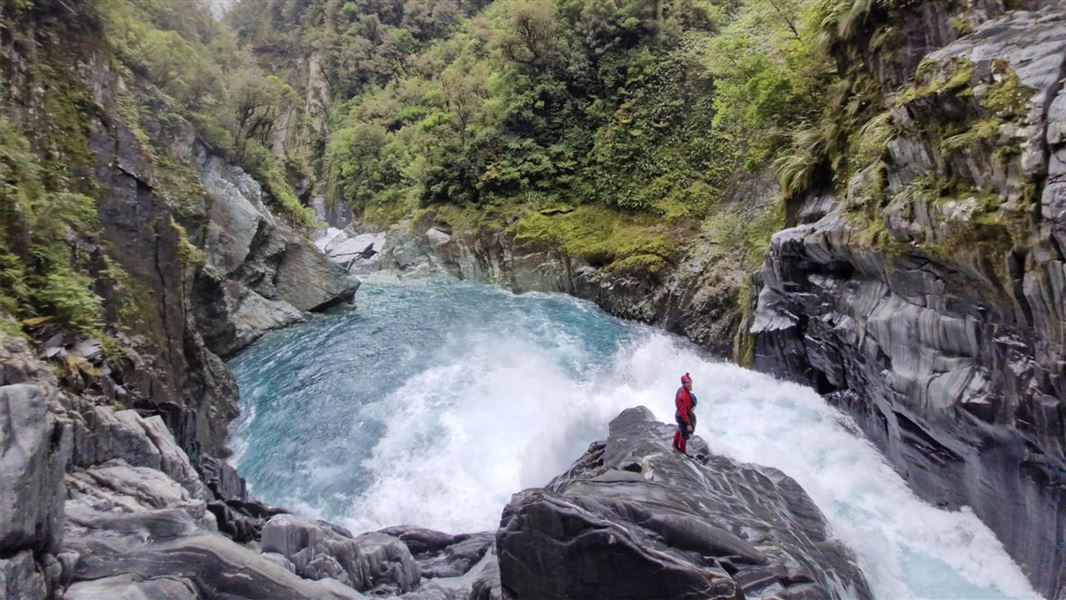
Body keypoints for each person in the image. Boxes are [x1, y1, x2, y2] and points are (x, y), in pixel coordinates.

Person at [673, 372, 697, 455]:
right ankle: (682, 451)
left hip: (683, 413)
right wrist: (688, 424)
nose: (689, 384)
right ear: (683, 384)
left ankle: (675, 445)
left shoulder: (685, 391)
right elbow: (683, 412)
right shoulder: (681, 396)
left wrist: (688, 376)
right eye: (686, 383)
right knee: (685, 434)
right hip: (682, 415)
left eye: (689, 382)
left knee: (680, 428)